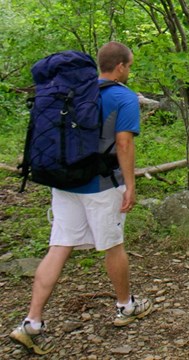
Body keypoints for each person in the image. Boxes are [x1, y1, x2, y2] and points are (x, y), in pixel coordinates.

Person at [9, 41, 152, 355]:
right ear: (121, 67)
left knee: (58, 246)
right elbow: (124, 144)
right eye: (129, 65)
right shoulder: (122, 96)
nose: (129, 70)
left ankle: (31, 322)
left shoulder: (70, 92)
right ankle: (126, 306)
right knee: (113, 245)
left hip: (64, 184)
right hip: (101, 187)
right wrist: (130, 185)